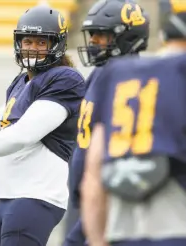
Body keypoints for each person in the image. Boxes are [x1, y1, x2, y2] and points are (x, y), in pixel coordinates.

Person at [0, 5, 86, 246]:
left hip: (33, 194)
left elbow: (22, 135)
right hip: (6, 196)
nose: (33, 48)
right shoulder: (21, 81)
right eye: (28, 41)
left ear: (57, 43)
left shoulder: (65, 78)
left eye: (41, 42)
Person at [81, 5, 186, 246]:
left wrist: (96, 240)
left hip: (121, 229)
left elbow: (93, 174)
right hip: (176, 227)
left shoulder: (117, 74)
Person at [64, 0, 150, 245]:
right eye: (92, 35)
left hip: (104, 194)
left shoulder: (132, 82)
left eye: (101, 35)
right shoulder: (100, 74)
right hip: (82, 193)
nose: (93, 42)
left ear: (127, 37)